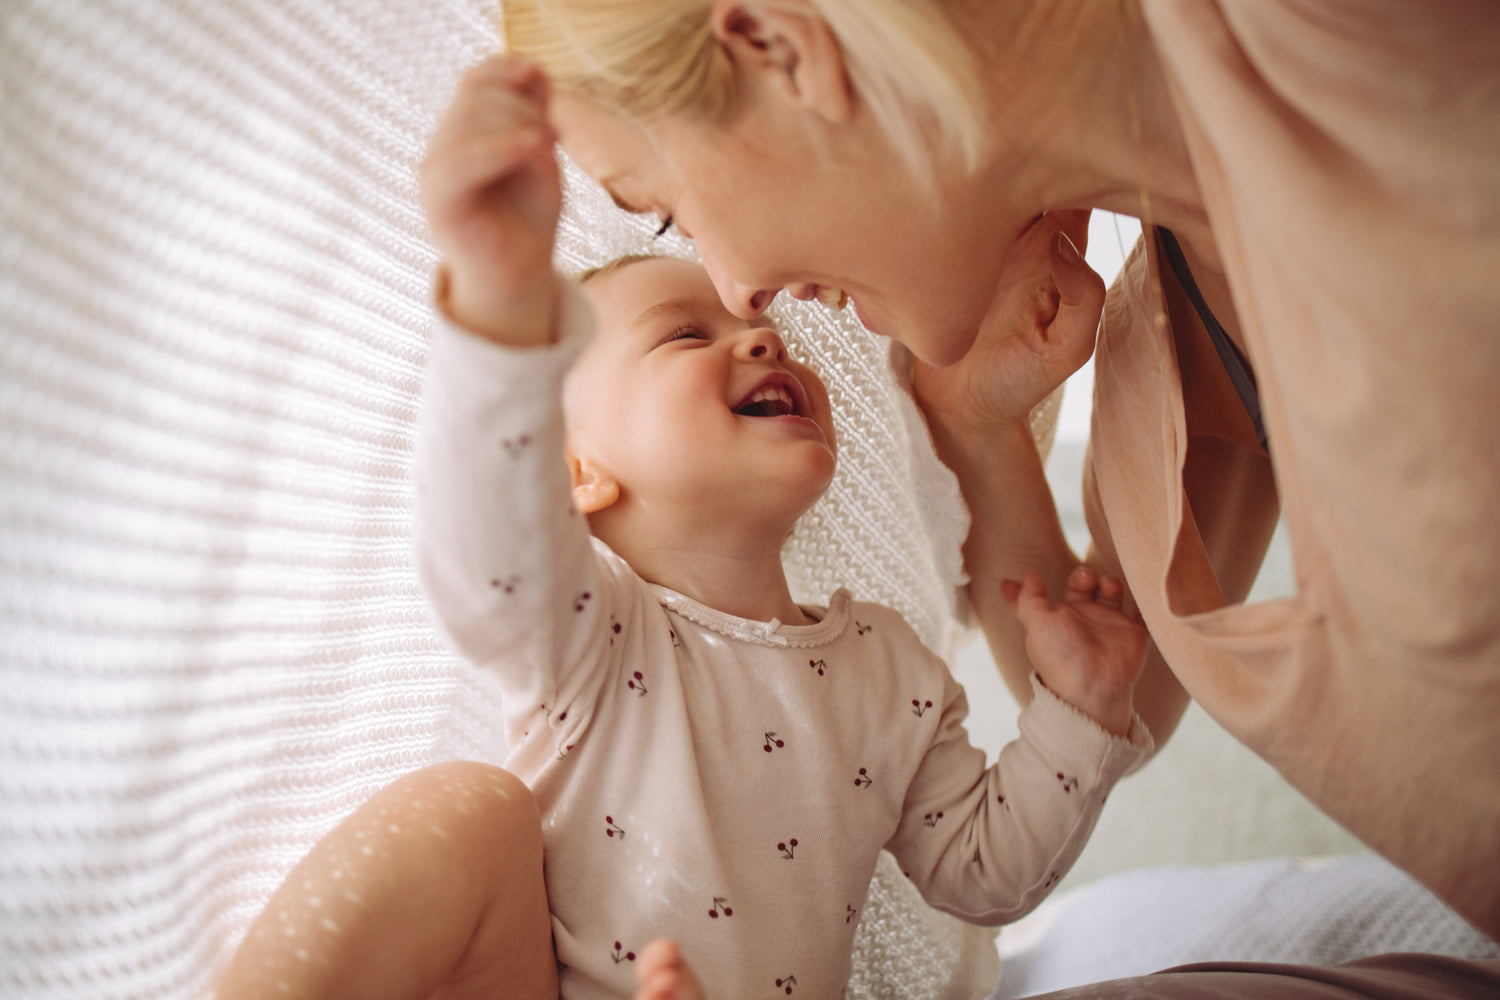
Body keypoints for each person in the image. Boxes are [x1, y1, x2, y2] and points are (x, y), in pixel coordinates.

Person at [498, 0, 1500, 965]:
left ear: (780, 51)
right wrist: (975, 426)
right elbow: (1124, 691)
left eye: (669, 210)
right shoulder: (1175, 322)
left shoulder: (1352, 43)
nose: (741, 291)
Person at [210, 59, 1154, 1000]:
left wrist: (1080, 713)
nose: (759, 338)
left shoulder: (887, 666)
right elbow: (485, 555)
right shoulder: (592, 632)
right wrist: (500, 305)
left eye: (762, 337)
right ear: (576, 472)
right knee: (463, 812)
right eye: (682, 336)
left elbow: (983, 873)